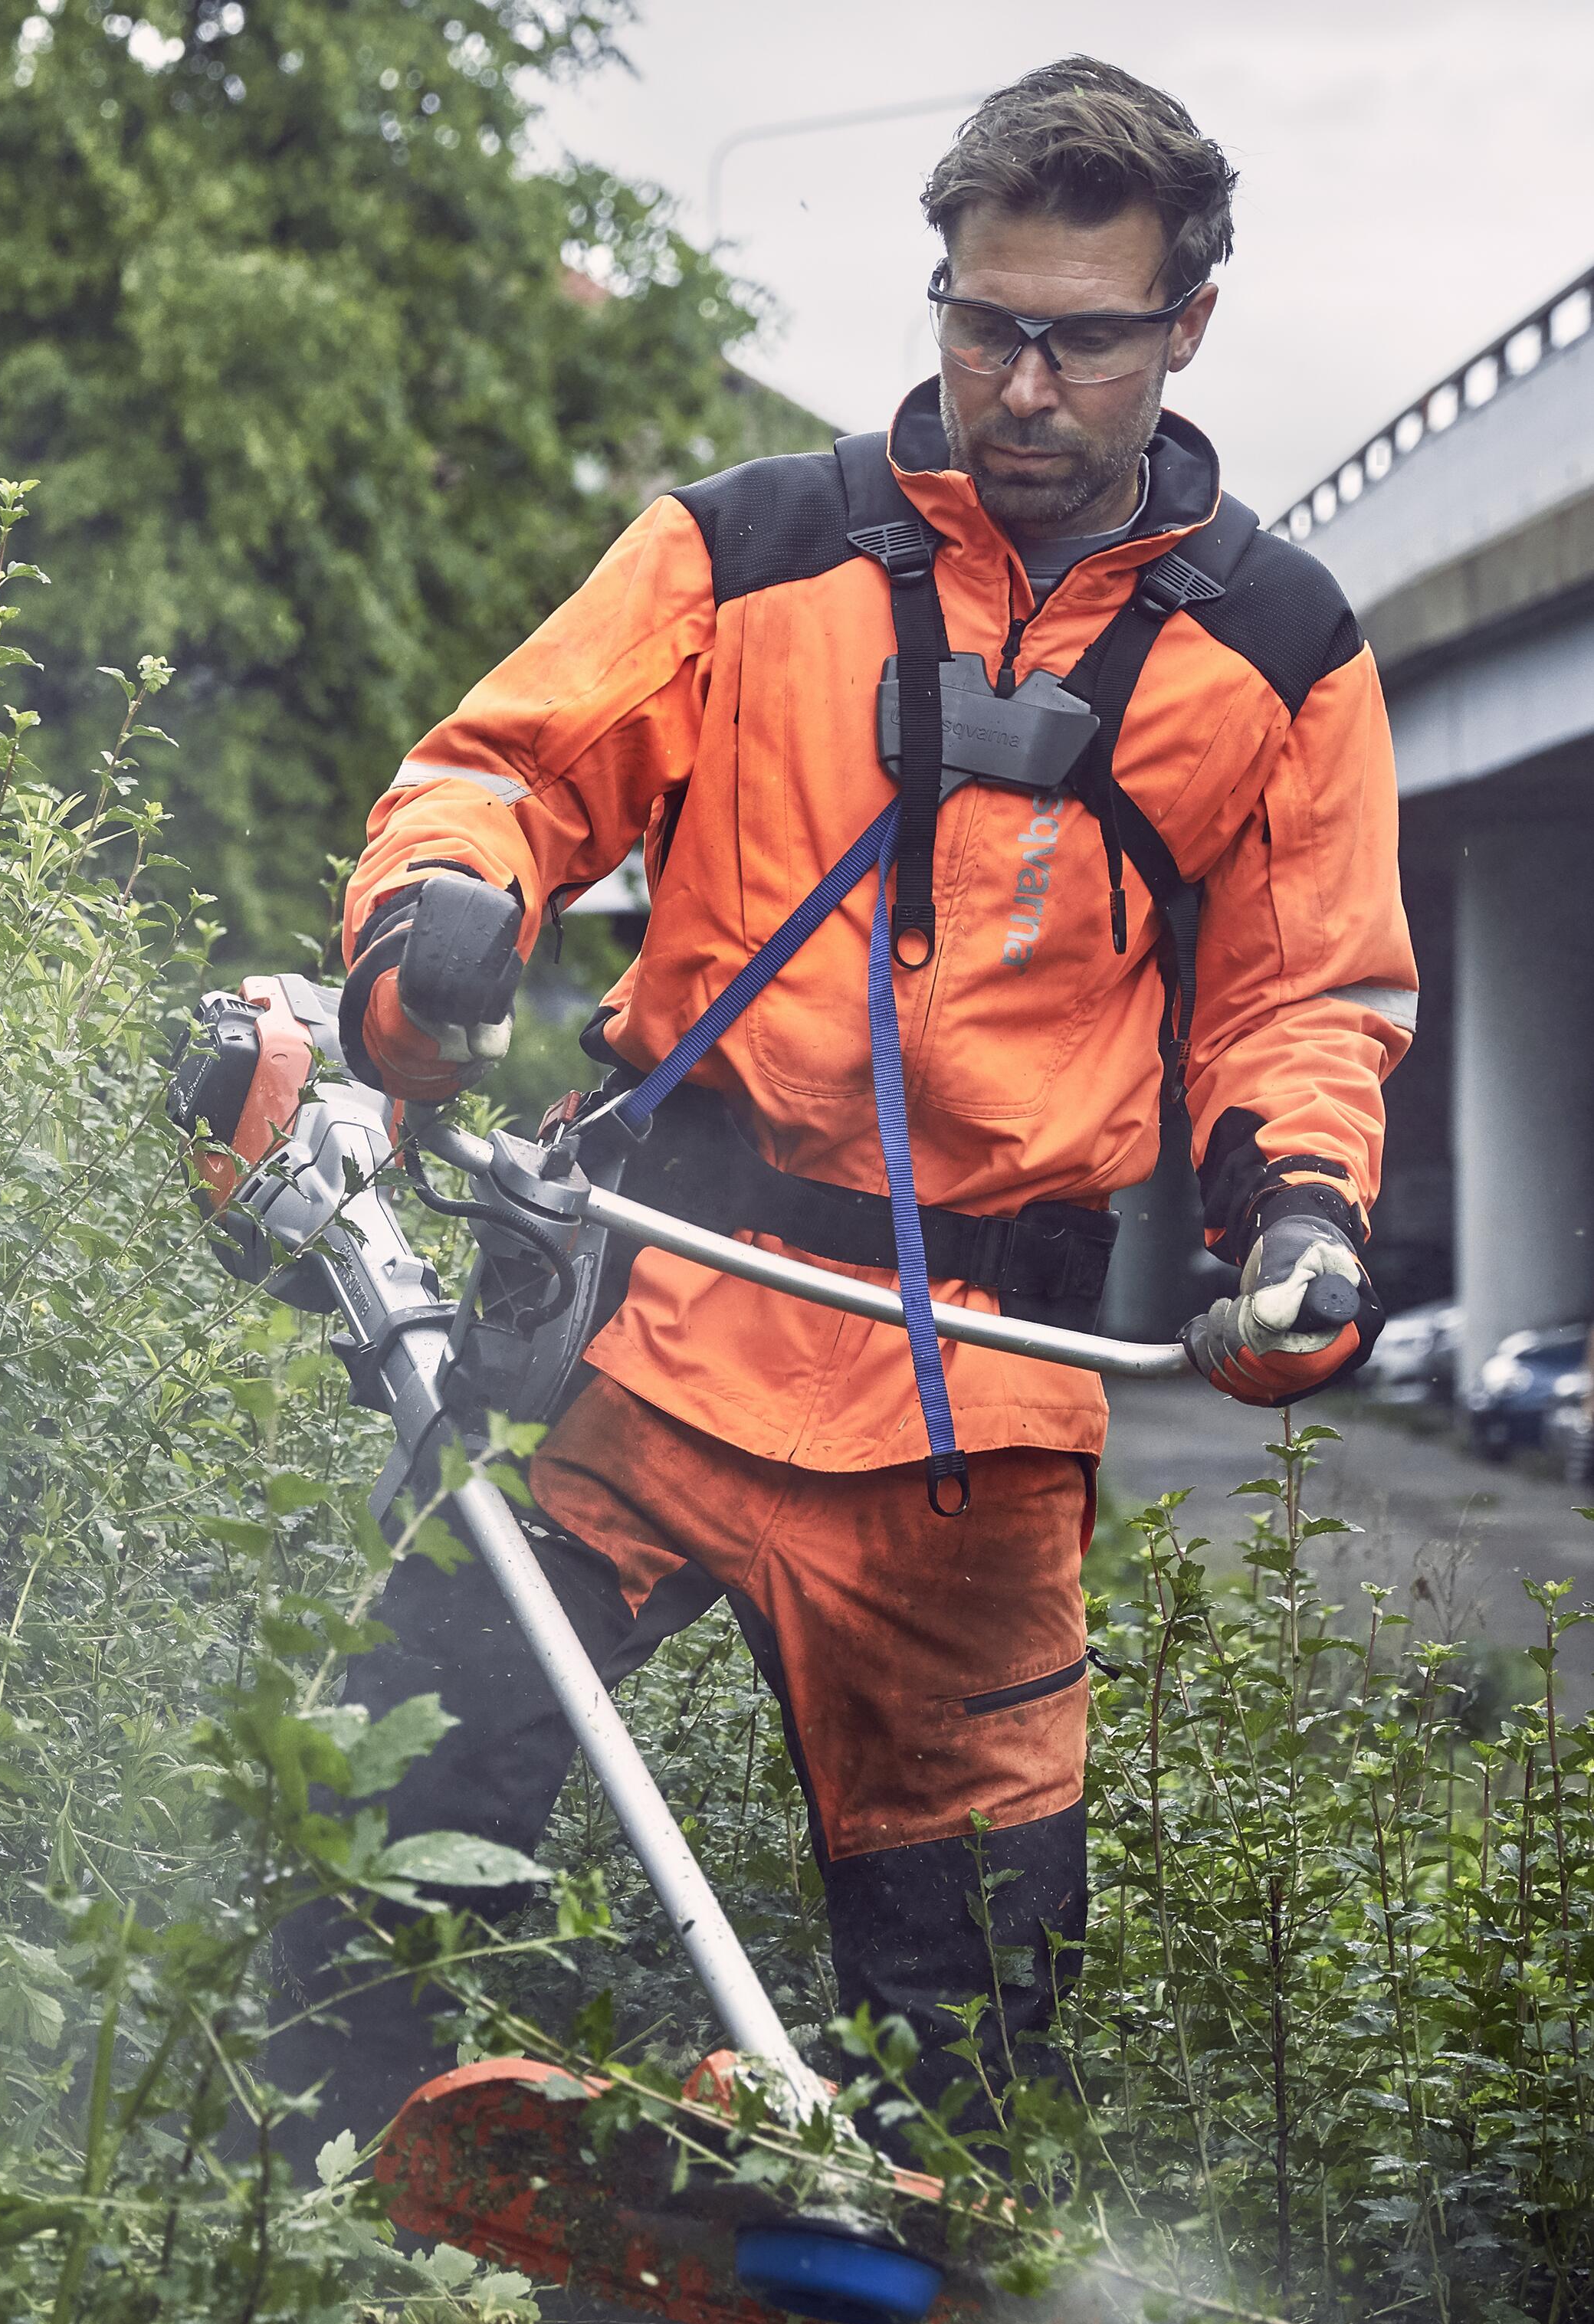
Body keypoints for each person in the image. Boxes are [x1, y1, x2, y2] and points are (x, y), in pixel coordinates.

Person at [272, 58, 1415, 2181]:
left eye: (1076, 334)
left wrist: (1303, 1225)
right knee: (365, 1835)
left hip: (975, 1435)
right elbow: (503, 774)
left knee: (960, 2050)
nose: (1021, 383)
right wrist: (440, 915)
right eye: (982, 322)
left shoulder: (1277, 656)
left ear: (1186, 328)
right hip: (656, 1335)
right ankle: (311, 2258)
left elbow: (1303, 997)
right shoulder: (743, 551)